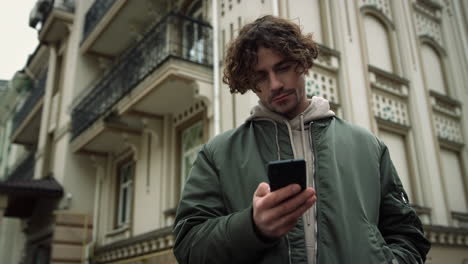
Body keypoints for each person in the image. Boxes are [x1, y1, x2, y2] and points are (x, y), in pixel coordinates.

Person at [173, 15, 430, 264]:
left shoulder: (368, 146)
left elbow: (407, 234)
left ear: (302, 63)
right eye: (261, 76)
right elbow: (188, 246)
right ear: (251, 84)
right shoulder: (217, 154)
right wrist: (252, 226)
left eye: (282, 68)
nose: (274, 84)